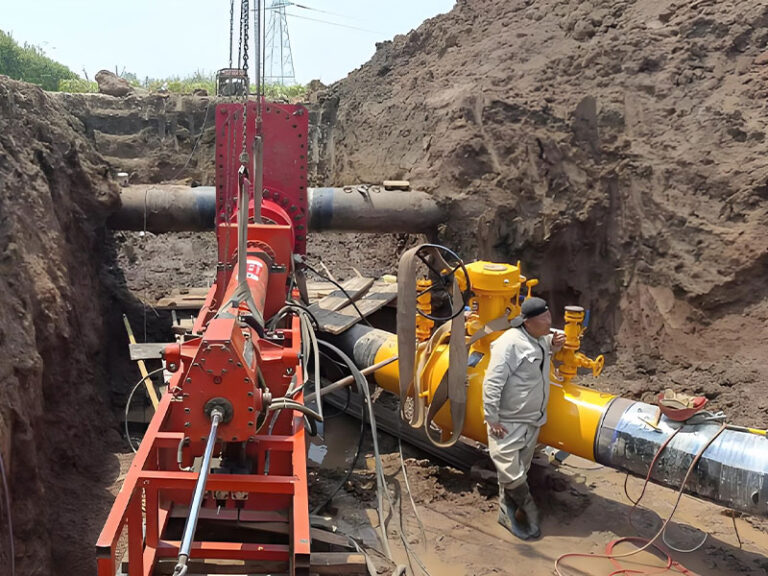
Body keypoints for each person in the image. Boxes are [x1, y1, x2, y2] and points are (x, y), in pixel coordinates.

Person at [482, 296, 565, 540]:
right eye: (544, 318)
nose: (550, 320)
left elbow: (542, 351)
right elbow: (492, 382)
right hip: (509, 421)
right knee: (511, 472)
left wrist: (555, 344)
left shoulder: (539, 339)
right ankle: (528, 508)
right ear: (527, 322)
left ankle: (506, 511)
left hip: (532, 421)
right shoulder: (508, 344)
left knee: (521, 468)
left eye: (550, 315)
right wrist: (492, 417)